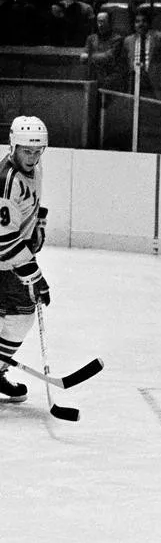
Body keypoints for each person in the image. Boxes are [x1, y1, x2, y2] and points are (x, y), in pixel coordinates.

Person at [0, 117, 51, 403]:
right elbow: (4, 240)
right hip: (4, 259)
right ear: (13, 146)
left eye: (37, 151)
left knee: (14, 317)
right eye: (26, 151)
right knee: (20, 317)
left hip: (9, 260)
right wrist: (34, 277)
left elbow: (34, 198)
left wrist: (38, 224)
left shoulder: (34, 167)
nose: (32, 157)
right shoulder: (7, 181)